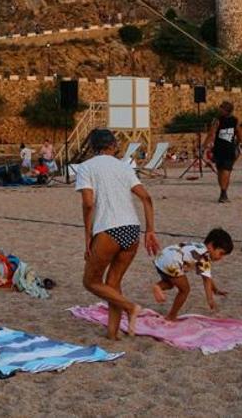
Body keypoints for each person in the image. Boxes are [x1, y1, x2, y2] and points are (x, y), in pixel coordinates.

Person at [77, 129, 160, 340]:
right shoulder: (124, 167)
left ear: (93, 147)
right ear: (113, 146)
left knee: (91, 281)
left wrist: (88, 236)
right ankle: (112, 333)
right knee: (113, 283)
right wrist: (150, 230)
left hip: (109, 229)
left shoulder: (86, 167)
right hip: (132, 228)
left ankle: (131, 307)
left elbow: (88, 203)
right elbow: (146, 198)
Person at [152, 228, 234, 320]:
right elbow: (206, 280)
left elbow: (208, 277)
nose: (221, 258)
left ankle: (158, 286)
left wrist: (215, 290)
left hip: (162, 257)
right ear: (211, 246)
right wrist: (210, 299)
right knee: (185, 290)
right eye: (221, 253)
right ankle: (171, 316)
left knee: (171, 284)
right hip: (173, 262)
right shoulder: (204, 256)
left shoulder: (198, 246)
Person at [206, 102, 242, 203]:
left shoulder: (232, 120)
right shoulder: (219, 120)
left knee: (225, 170)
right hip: (221, 148)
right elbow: (212, 133)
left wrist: (240, 143)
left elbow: (239, 133)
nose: (220, 110)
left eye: (221, 108)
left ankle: (223, 192)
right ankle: (223, 192)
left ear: (226, 110)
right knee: (222, 170)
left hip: (226, 148)